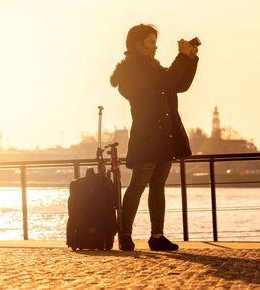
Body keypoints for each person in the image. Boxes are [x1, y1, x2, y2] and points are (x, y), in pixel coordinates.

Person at [110, 23, 199, 251]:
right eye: (150, 42)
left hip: (164, 136)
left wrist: (190, 59)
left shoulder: (153, 67)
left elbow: (179, 85)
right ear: (137, 45)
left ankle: (156, 236)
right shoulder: (133, 70)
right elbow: (166, 81)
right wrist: (181, 58)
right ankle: (125, 234)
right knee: (138, 185)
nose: (155, 47)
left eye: (155, 42)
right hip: (147, 137)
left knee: (157, 185)